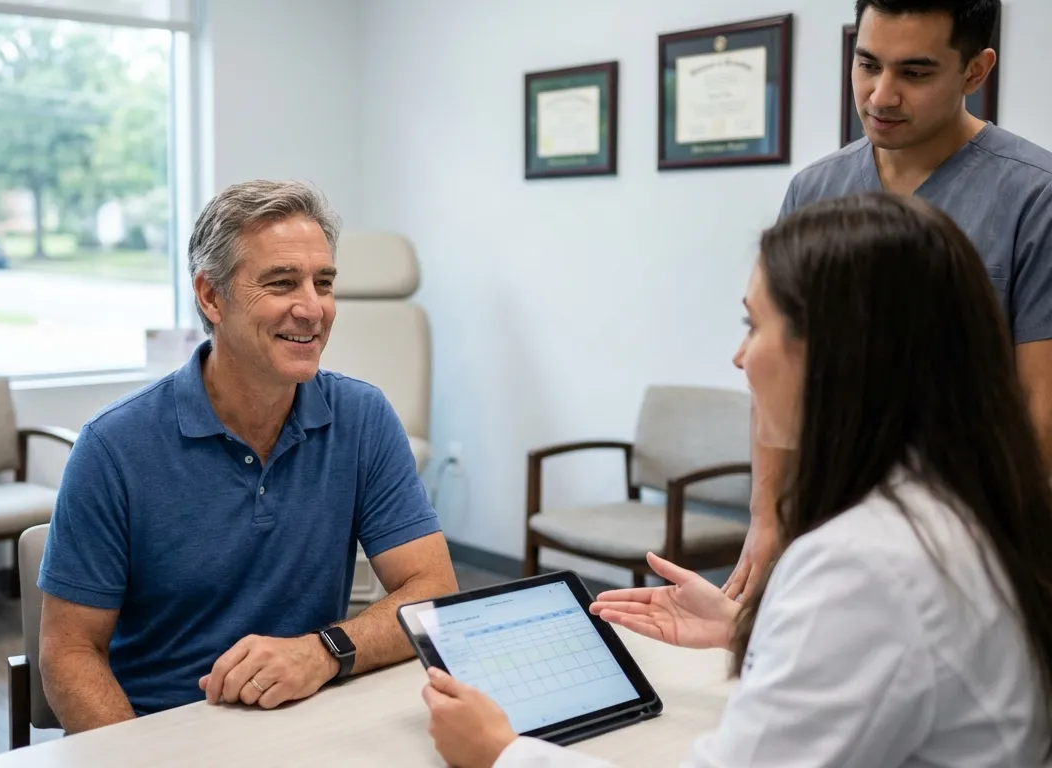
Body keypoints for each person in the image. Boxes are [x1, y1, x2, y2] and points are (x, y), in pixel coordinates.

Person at [420, 192, 1052, 767]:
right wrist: (749, 627)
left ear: (834, 350)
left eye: (753, 324)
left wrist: (501, 754)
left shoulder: (867, 563)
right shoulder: (973, 507)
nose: (739, 356)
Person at [36, 179, 459, 734]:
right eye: (283, 283)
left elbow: (433, 591)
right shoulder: (114, 446)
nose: (313, 309)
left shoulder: (362, 416)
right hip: (166, 733)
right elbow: (68, 654)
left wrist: (323, 652)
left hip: (314, 717)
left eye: (323, 283)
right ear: (212, 296)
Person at [725, 0, 1052, 600]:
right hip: (832, 526)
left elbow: (1040, 412)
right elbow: (779, 366)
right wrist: (768, 516)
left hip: (965, 543)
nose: (880, 96)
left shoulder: (1034, 198)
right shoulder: (816, 190)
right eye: (867, 64)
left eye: (915, 73)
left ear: (976, 72)